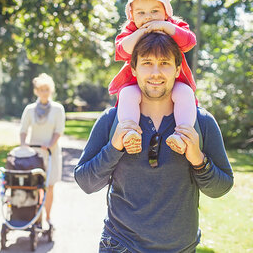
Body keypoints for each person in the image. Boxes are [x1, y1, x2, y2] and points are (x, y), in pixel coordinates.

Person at [74, 33, 234, 253]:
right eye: (147, 63)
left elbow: (221, 188)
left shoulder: (201, 122)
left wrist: (198, 160)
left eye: (165, 63)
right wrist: (113, 148)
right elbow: (86, 183)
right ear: (133, 69)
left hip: (180, 248)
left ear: (178, 70)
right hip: (120, 245)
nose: (156, 73)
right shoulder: (112, 120)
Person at [109, 0, 197, 155]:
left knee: (185, 93)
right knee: (127, 94)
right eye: (141, 13)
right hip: (137, 81)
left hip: (172, 80)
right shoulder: (131, 31)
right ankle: (130, 132)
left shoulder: (172, 26)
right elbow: (121, 51)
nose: (148, 17)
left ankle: (182, 135)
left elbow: (189, 42)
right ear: (131, 15)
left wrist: (165, 27)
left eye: (154, 11)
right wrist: (142, 32)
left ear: (166, 13)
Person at [20, 73, 65, 226]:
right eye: (41, 89)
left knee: (49, 186)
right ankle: (36, 217)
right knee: (36, 186)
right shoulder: (30, 109)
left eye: (46, 89)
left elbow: (59, 131)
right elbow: (23, 129)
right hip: (34, 154)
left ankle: (48, 217)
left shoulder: (58, 109)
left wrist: (50, 144)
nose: (44, 92)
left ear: (50, 90)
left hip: (51, 152)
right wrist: (23, 144)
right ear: (36, 91)